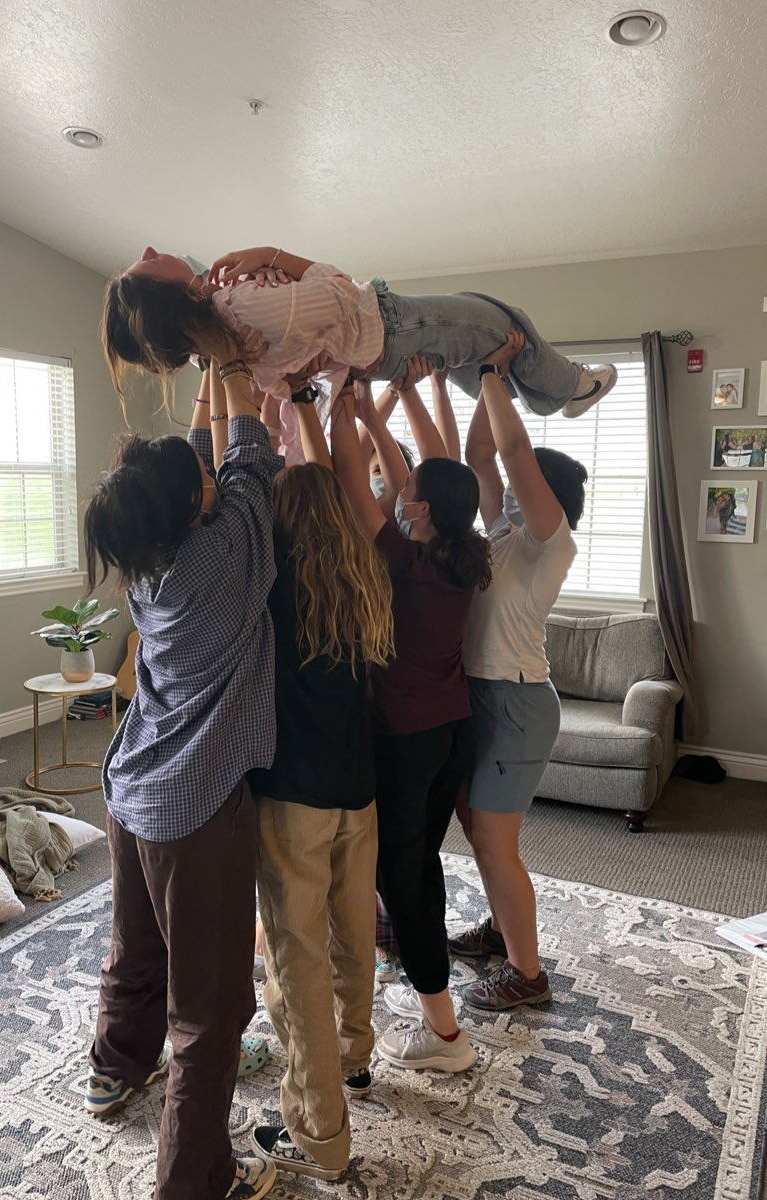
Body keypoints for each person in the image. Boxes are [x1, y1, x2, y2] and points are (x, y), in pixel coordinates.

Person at [81, 325, 282, 1200]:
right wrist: (230, 361)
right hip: (197, 812)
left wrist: (208, 372)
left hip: (131, 794)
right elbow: (248, 458)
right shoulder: (225, 553)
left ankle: (114, 1068)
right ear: (194, 502)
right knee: (211, 1014)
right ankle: (194, 1184)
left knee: (134, 949)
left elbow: (205, 467)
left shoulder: (148, 558)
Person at [233, 383, 394, 1181]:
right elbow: (328, 479)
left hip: (292, 796)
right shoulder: (364, 574)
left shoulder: (271, 586)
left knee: (295, 958)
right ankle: (357, 1056)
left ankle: (319, 1132)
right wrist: (296, 412)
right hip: (356, 791)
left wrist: (265, 420)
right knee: (351, 930)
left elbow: (247, 494)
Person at [100, 246, 618, 463]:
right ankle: (572, 387)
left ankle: (553, 395)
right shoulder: (241, 305)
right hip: (393, 326)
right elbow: (343, 293)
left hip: (384, 347)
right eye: (142, 268)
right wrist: (276, 257)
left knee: (484, 354)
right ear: (169, 298)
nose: (147, 251)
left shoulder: (216, 352)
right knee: (502, 318)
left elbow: (296, 366)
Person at [331, 379, 491, 1074]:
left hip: (407, 739)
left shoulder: (404, 560)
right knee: (419, 866)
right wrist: (370, 409)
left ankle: (445, 1034)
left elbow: (348, 478)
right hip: (454, 731)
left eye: (408, 489)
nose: (398, 490)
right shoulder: (460, 554)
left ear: (419, 507)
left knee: (404, 880)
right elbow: (395, 484)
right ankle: (427, 987)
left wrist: (333, 406)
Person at [446, 331, 587, 1013]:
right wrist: (479, 380)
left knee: (498, 846)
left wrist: (499, 374)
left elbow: (509, 450)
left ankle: (527, 975)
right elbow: (480, 454)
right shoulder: (501, 534)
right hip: (479, 694)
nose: (503, 489)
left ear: (546, 499)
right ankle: (501, 933)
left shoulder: (547, 544)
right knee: (478, 830)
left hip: (517, 702)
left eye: (521, 487)